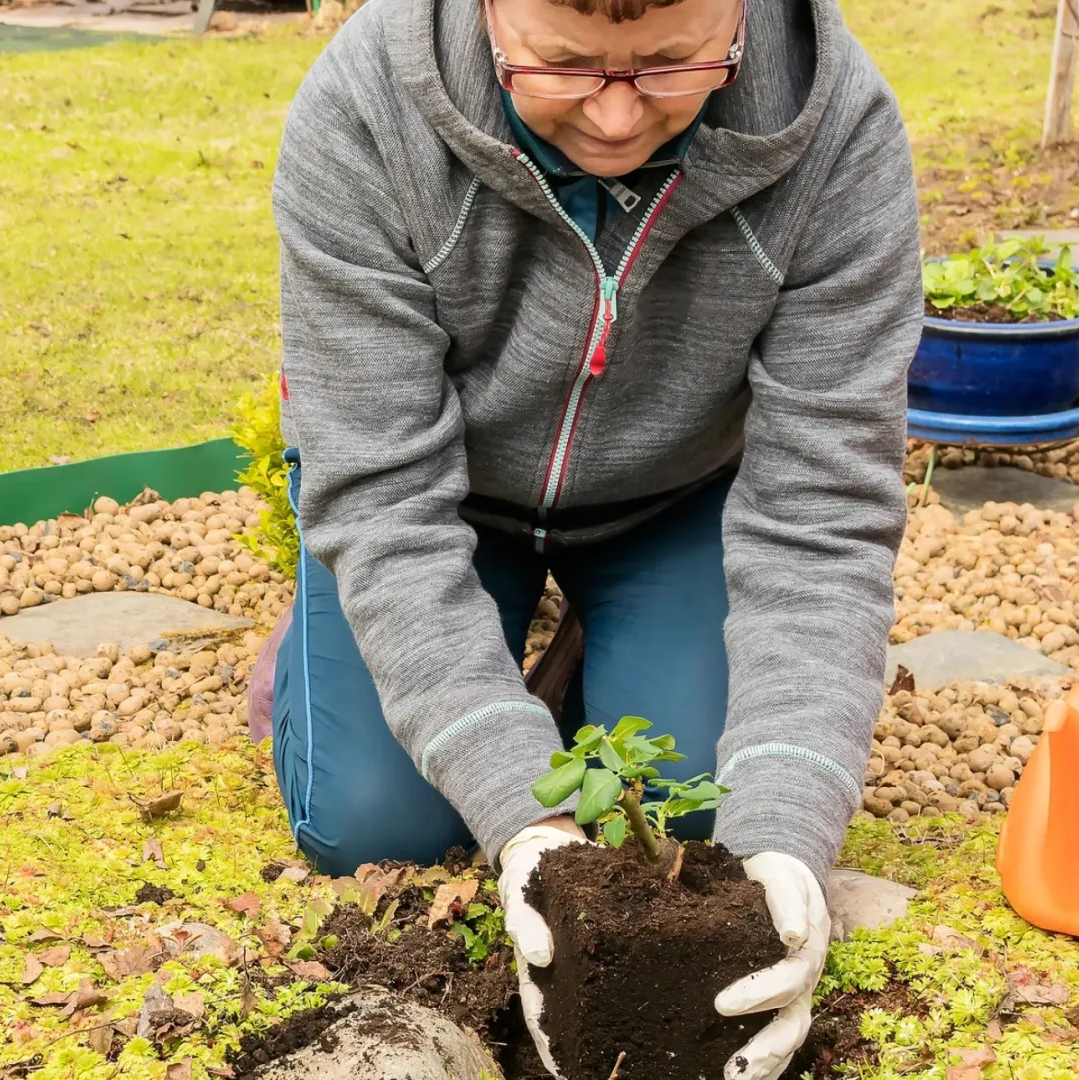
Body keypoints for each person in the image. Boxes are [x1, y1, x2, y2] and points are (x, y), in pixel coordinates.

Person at [266, 0, 922, 1072]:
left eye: (670, 65)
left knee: (701, 823)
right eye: (565, 67)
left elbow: (821, 521)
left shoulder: (838, 129)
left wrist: (787, 843)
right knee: (374, 823)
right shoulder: (366, 109)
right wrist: (528, 828)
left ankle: (582, 648)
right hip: (446, 503)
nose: (618, 121)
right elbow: (384, 503)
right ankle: (337, 649)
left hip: (675, 502)